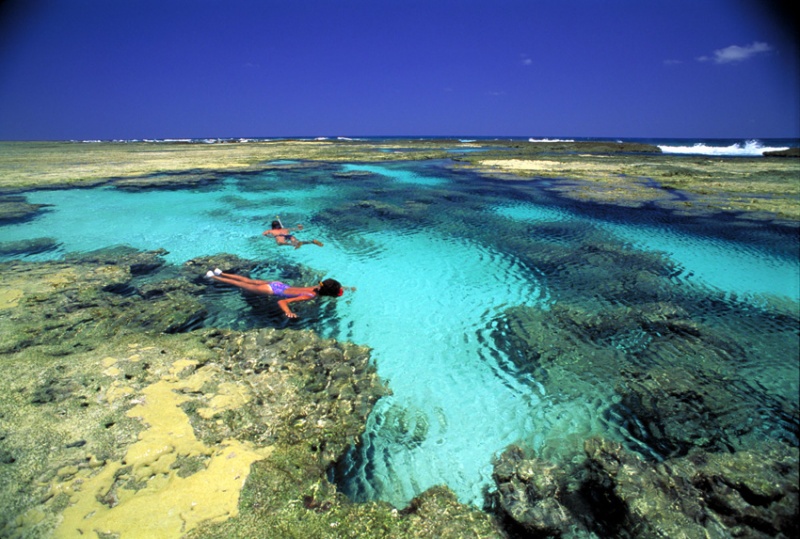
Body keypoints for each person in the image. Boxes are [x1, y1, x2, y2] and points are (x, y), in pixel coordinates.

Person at [205, 268, 351, 318]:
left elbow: (328, 286)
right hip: (272, 290)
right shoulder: (310, 295)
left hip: (278, 284)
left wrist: (349, 288)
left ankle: (220, 272)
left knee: (246, 280)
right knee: (241, 284)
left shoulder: (316, 287)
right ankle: (213, 276)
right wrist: (288, 312)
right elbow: (282, 301)